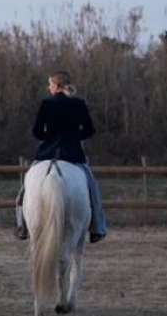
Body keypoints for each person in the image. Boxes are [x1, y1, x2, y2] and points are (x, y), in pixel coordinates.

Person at [15, 70, 107, 244]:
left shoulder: (47, 103)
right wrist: (73, 137)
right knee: (92, 189)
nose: (48, 87)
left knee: (24, 191)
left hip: (47, 153)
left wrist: (48, 137)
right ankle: (97, 227)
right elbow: (89, 130)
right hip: (73, 155)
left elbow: (36, 131)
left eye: (50, 84)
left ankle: (21, 224)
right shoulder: (79, 103)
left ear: (56, 86)